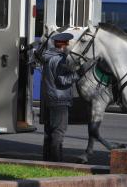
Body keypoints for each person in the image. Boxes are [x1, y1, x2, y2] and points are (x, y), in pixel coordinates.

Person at [41, 32, 94, 162]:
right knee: (58, 132)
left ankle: (47, 160)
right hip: (60, 100)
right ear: (64, 45)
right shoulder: (60, 59)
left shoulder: (48, 56)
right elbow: (62, 80)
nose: (70, 45)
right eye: (68, 43)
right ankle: (56, 162)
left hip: (49, 99)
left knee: (49, 132)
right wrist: (79, 74)